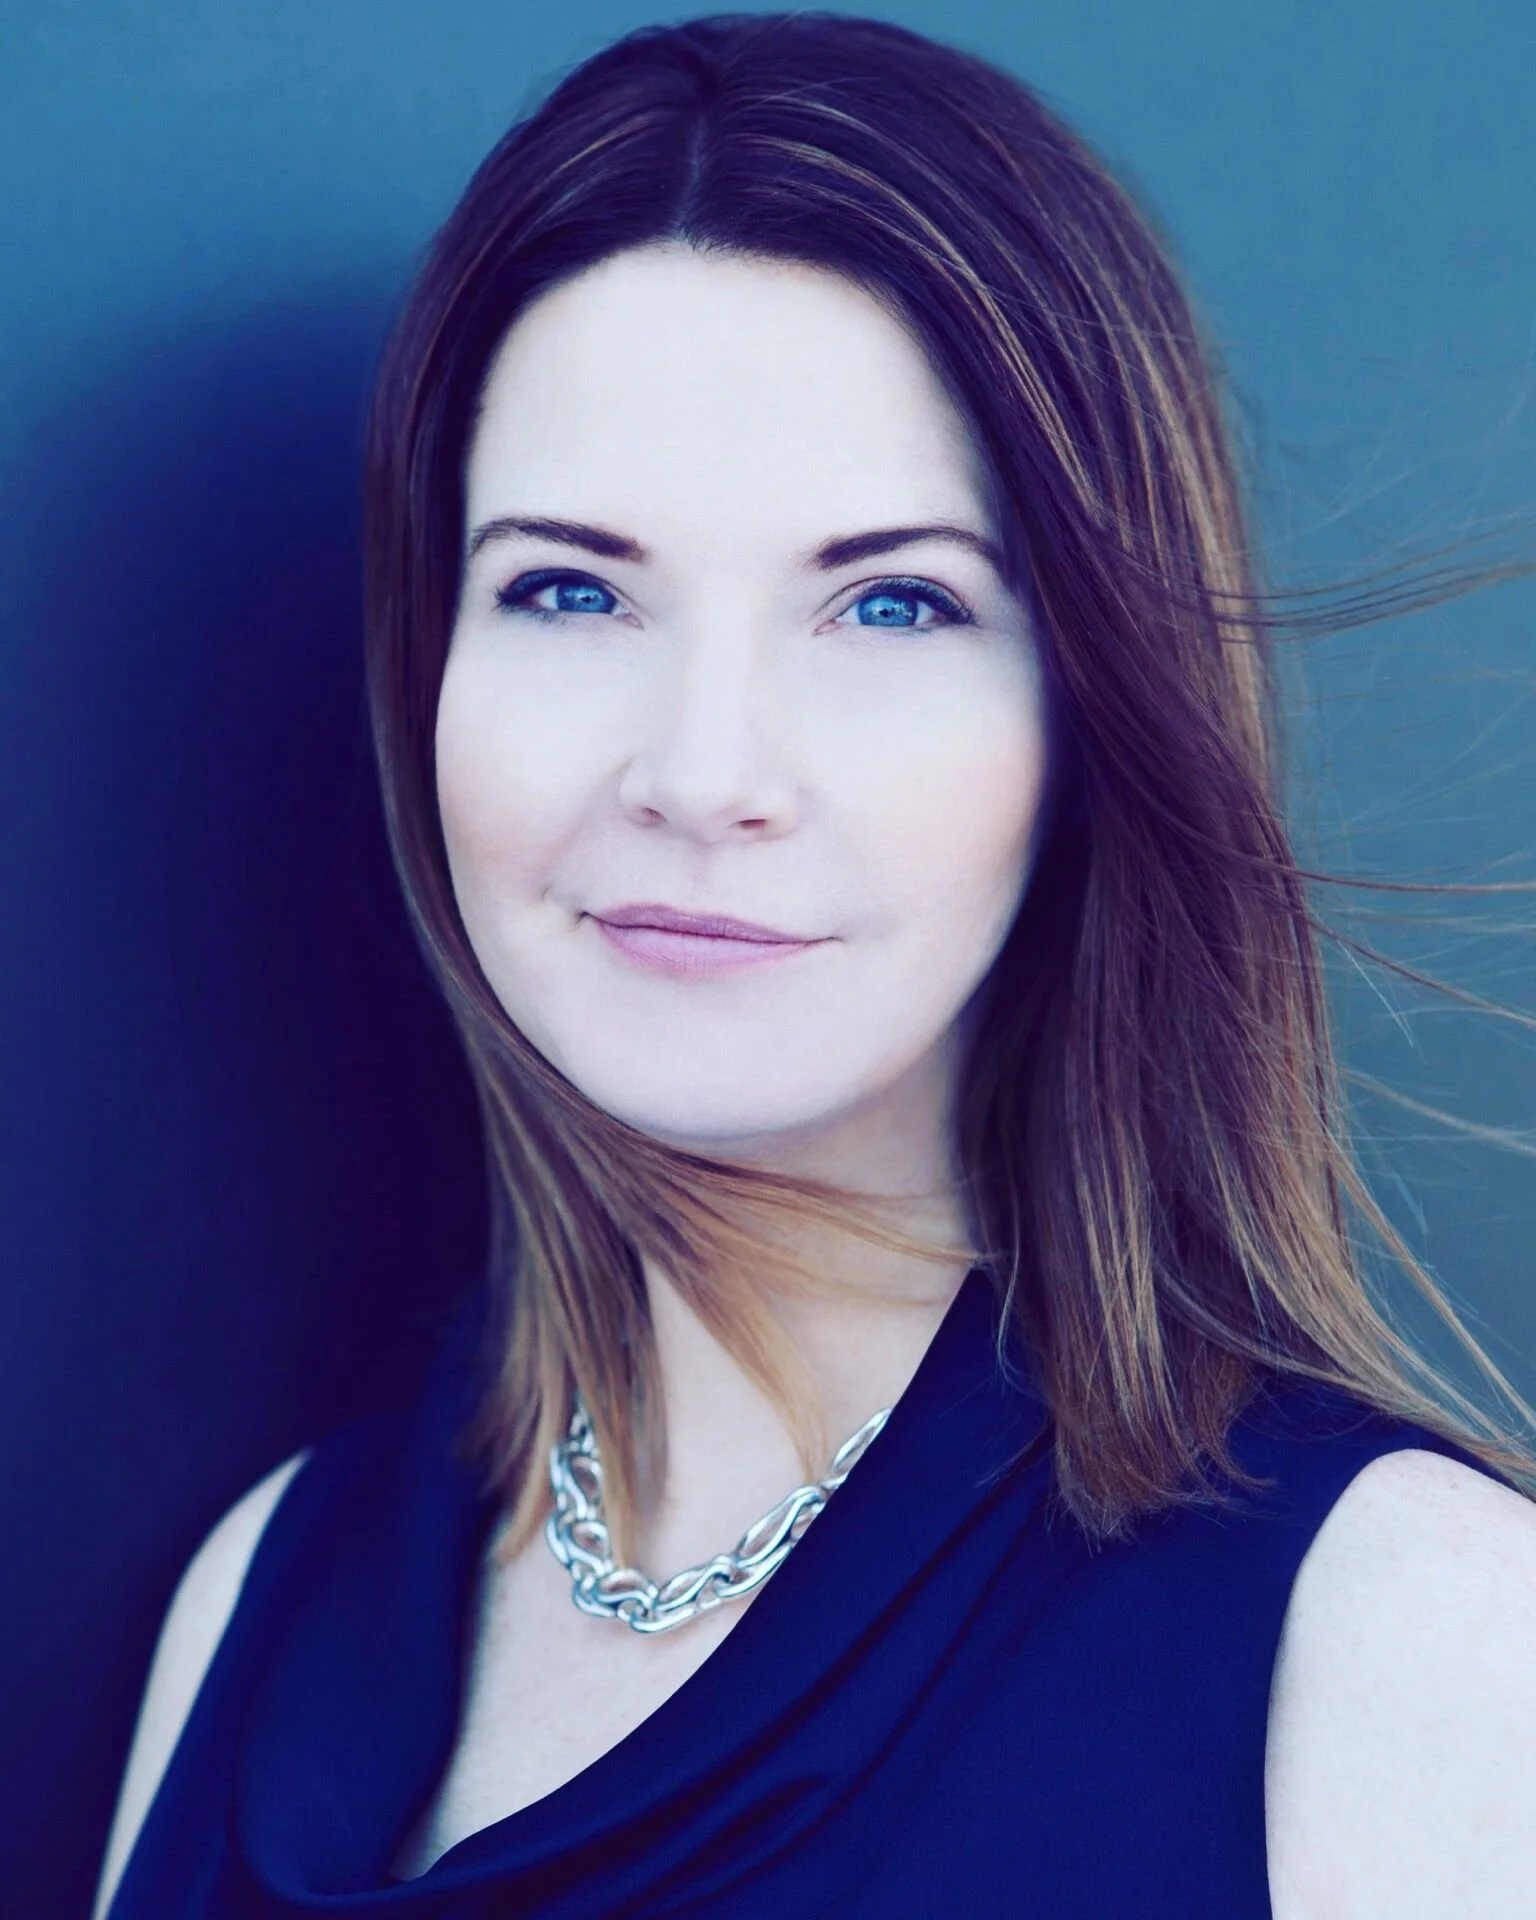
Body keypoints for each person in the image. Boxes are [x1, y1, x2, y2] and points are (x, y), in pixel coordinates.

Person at [93, 13, 1536, 1917]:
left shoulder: (1404, 1647)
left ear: (1088, 716)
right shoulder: (260, 1597)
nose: (703, 776)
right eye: (569, 588)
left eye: (890, 602)